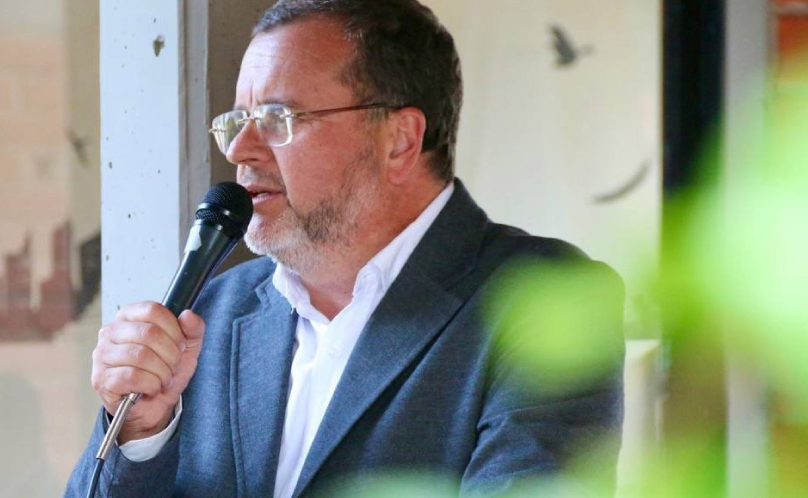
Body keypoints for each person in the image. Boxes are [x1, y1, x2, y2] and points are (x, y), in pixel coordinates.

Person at [67, 0, 624, 496]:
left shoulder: (547, 297)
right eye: (237, 121)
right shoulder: (209, 313)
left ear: (398, 141)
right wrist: (141, 432)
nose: (240, 149)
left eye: (278, 118)